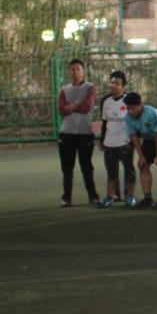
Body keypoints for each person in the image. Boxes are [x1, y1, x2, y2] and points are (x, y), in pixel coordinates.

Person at [56, 58, 100, 207]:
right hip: (67, 133)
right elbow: (61, 110)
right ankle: (66, 197)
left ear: (83, 71)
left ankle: (93, 196)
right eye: (72, 69)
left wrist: (71, 106)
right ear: (69, 71)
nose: (75, 72)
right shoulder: (64, 90)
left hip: (84, 133)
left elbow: (87, 106)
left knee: (86, 166)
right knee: (67, 168)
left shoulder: (90, 88)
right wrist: (76, 104)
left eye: (78, 69)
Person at [99, 70, 136, 207]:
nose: (113, 85)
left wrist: (132, 141)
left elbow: (133, 122)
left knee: (129, 170)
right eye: (112, 83)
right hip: (109, 142)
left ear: (123, 86)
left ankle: (130, 196)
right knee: (111, 171)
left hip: (124, 142)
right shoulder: (106, 101)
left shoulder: (128, 101)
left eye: (117, 83)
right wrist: (102, 140)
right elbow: (104, 122)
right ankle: (111, 196)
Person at [124, 91, 157, 208]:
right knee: (143, 165)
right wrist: (141, 156)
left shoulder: (152, 113)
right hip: (147, 139)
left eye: (133, 108)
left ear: (140, 105)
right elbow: (134, 137)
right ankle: (147, 197)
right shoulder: (127, 117)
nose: (130, 111)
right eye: (128, 108)